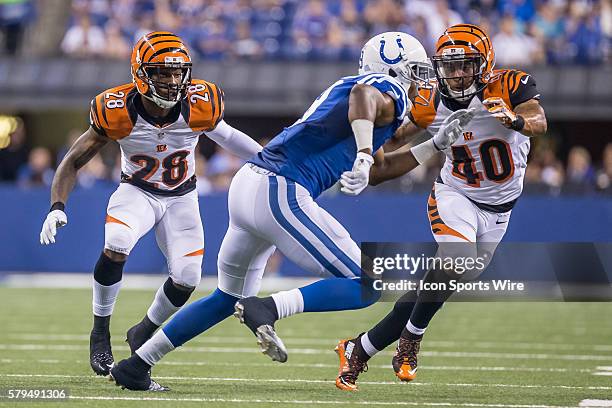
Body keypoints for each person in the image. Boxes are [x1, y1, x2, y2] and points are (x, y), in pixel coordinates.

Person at [109, 31, 473, 391]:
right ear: (392, 68)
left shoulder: (371, 105)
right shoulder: (376, 87)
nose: (423, 80)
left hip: (252, 183)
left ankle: (137, 365)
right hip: (279, 188)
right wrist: (362, 154)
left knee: (227, 296)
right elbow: (366, 99)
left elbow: (378, 169)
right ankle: (268, 309)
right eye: (415, 70)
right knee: (366, 284)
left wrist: (434, 145)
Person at [335, 23, 547, 391]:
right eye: (450, 65)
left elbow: (538, 121)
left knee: (435, 286)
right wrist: (365, 149)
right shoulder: (429, 100)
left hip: (500, 210)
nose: (458, 73)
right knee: (454, 259)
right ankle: (411, 341)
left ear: (485, 64)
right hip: (456, 195)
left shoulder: (509, 85)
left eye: (467, 64)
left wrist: (512, 119)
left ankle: (359, 347)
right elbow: (390, 138)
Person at [38, 31, 262, 379]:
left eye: (177, 72)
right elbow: (72, 161)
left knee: (187, 279)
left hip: (182, 197)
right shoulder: (117, 110)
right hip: (137, 192)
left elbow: (228, 137)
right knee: (117, 244)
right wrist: (56, 206)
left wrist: (270, 159)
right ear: (140, 73)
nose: (172, 81)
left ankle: (143, 330)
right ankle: (100, 333)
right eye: (161, 72)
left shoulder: (199, 104)